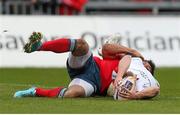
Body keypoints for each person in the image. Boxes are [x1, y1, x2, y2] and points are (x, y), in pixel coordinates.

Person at [14, 32, 159, 100]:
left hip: (92, 83)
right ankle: (39, 46)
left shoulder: (142, 82)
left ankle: (35, 91)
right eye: (145, 63)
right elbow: (106, 48)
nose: (145, 65)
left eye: (148, 68)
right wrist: (132, 51)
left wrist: (136, 95)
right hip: (90, 64)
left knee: (73, 94)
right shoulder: (129, 59)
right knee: (82, 44)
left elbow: (155, 90)